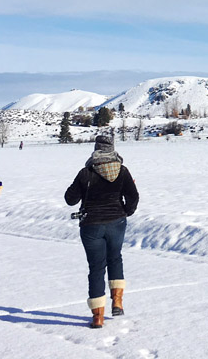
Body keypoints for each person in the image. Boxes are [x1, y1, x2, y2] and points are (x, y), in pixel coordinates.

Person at [64, 132, 139, 328]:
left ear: (96, 149)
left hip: (91, 225)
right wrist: (125, 212)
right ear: (112, 148)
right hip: (117, 222)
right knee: (115, 258)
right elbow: (133, 196)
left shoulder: (85, 172)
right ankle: (118, 302)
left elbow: (70, 199)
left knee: (96, 268)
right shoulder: (122, 171)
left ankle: (98, 317)